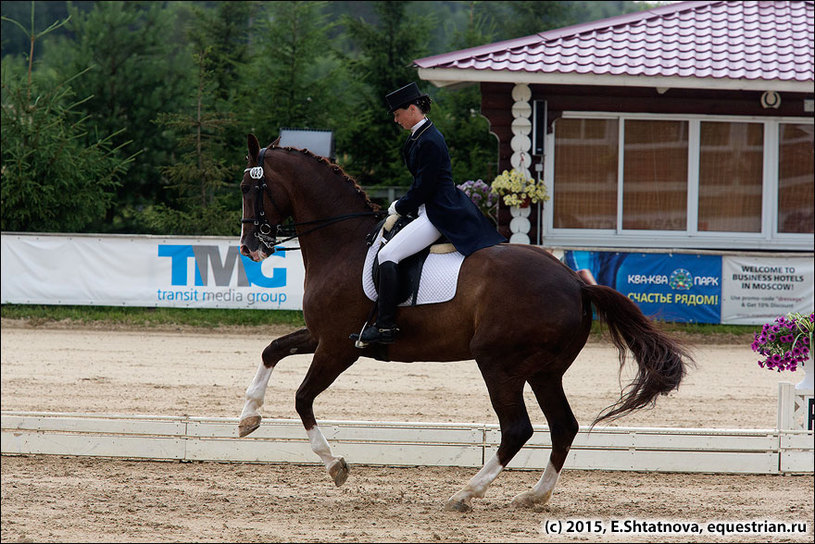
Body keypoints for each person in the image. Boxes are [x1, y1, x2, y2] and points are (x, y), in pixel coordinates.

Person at [358, 82, 506, 345]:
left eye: (397, 114)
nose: (395, 119)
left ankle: (385, 326)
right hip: (427, 207)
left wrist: (400, 206)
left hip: (438, 212)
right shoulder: (418, 135)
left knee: (388, 254)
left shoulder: (429, 139)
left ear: (412, 109)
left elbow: (425, 186)